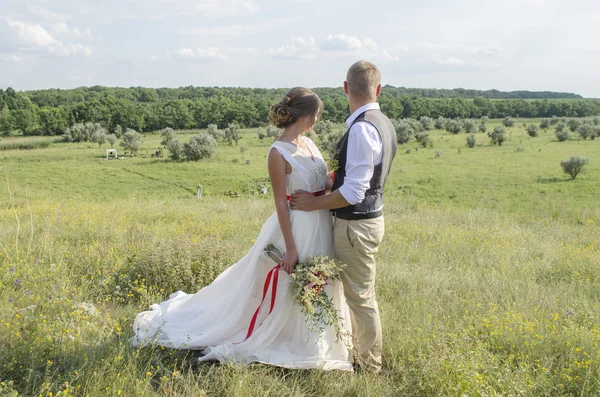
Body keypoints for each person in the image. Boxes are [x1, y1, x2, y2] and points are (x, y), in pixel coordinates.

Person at [132, 87, 353, 371]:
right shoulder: (278, 153)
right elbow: (280, 203)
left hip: (320, 222)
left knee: (321, 280)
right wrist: (291, 247)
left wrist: (327, 185)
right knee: (294, 281)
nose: (319, 119)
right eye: (317, 114)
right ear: (306, 115)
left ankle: (318, 339)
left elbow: (317, 182)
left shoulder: (309, 144)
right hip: (296, 228)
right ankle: (288, 337)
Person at [290, 61, 397, 373]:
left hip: (356, 225)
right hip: (368, 221)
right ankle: (357, 354)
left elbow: (354, 193)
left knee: (361, 298)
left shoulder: (362, 128)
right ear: (378, 90)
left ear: (346, 88)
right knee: (359, 295)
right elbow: (362, 178)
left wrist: (313, 203)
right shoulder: (382, 122)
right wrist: (333, 182)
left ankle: (369, 366)